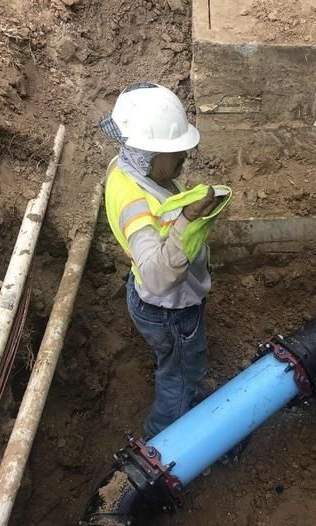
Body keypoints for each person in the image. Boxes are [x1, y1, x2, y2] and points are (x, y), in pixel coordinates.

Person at [100, 82, 232, 439]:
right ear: (146, 153)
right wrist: (189, 220)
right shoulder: (135, 205)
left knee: (176, 364)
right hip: (170, 310)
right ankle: (163, 443)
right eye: (175, 152)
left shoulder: (126, 168)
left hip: (150, 301)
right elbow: (158, 277)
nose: (185, 157)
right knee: (180, 377)